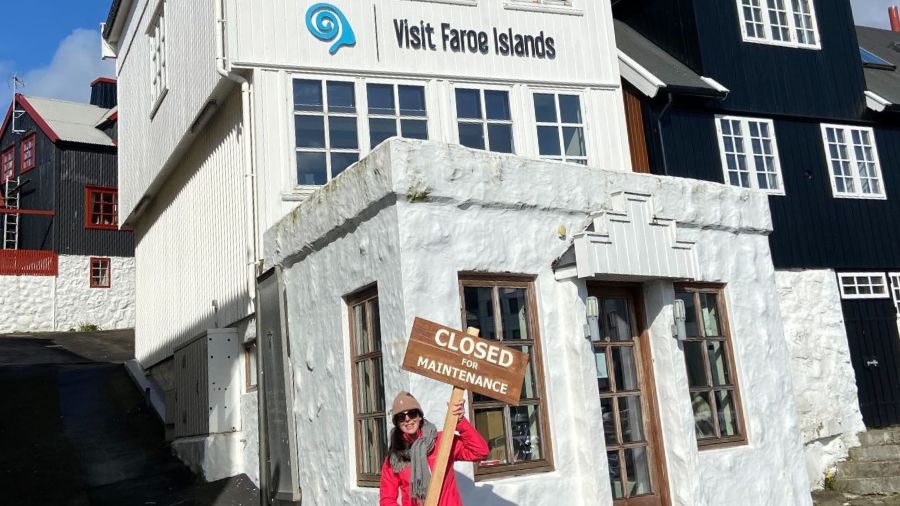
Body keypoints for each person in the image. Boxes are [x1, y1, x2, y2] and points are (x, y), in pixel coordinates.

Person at [379, 391, 489, 506]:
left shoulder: (442, 441)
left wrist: (461, 422)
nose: (407, 419)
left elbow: (480, 451)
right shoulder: (395, 458)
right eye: (401, 417)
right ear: (397, 423)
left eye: (412, 413)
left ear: (420, 416)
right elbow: (387, 500)